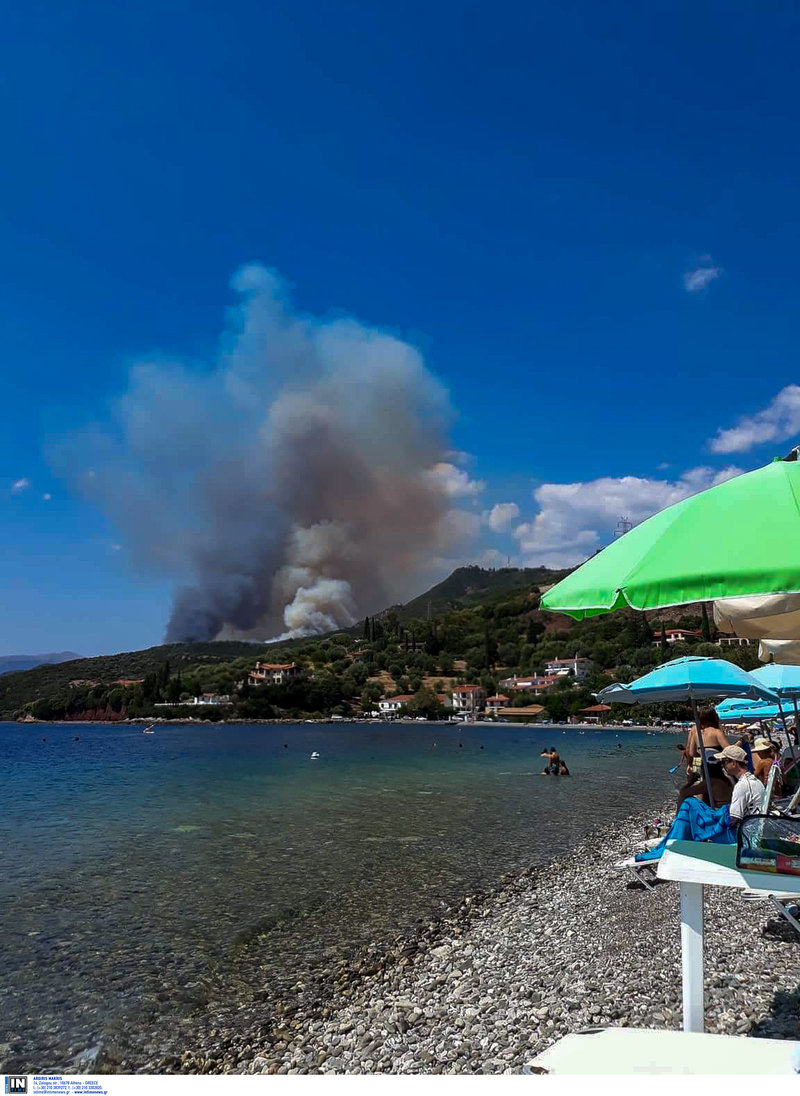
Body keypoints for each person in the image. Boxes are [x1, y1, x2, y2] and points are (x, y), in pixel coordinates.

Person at [636, 746, 764, 862]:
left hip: (739, 838)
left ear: (734, 763)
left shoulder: (742, 786)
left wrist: (713, 818)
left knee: (689, 804)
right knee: (692, 807)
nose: (723, 765)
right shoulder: (753, 782)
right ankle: (676, 839)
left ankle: (674, 844)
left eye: (725, 762)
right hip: (750, 832)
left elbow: (733, 819)